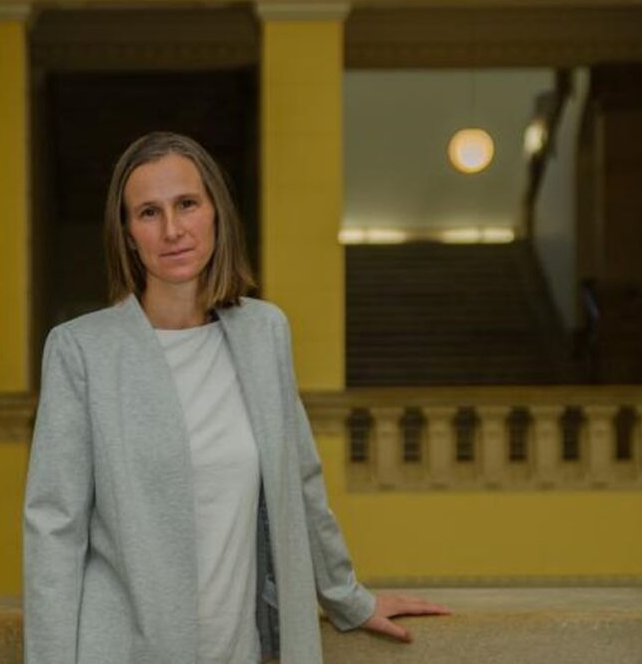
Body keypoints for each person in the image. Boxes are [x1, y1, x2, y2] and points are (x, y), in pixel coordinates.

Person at [23, 132, 449, 664]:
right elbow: (54, 528)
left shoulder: (263, 333)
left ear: (215, 213)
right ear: (128, 234)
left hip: (237, 650)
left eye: (187, 204)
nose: (172, 229)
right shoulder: (81, 350)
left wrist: (346, 597)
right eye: (149, 213)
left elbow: (300, 480)